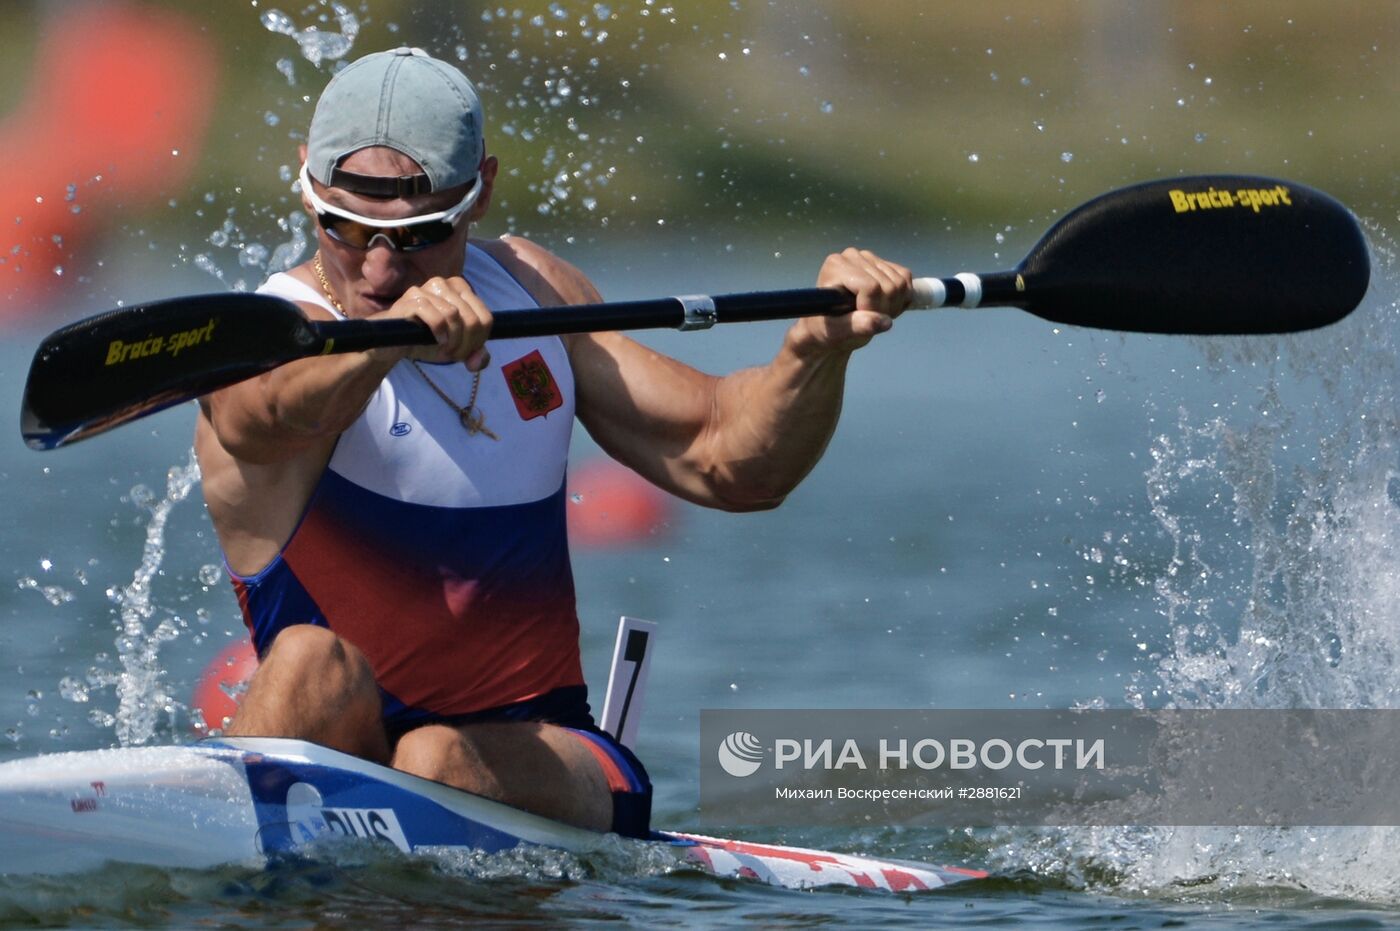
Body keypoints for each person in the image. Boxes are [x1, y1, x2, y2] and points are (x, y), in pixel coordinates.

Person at [195, 47, 914, 838]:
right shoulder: (263, 335)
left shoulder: (533, 290)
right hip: (336, 749)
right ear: (304, 179)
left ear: (483, 194)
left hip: (543, 763)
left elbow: (731, 459)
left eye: (420, 235)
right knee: (307, 665)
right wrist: (382, 339)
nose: (379, 267)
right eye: (345, 226)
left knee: (435, 760)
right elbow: (260, 418)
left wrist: (814, 351)